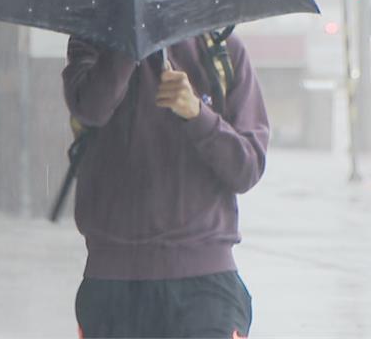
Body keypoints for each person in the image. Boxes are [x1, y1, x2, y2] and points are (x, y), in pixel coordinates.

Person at [63, 32, 269, 338]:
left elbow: (247, 168)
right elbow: (91, 108)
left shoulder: (221, 50)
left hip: (205, 285)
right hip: (113, 284)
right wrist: (128, 46)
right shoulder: (92, 42)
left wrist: (197, 114)